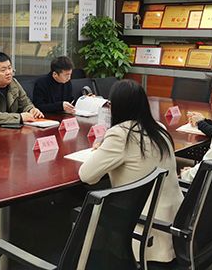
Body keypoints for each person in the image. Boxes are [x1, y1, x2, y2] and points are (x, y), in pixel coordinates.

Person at [78, 79, 182, 266]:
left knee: (83, 204)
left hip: (144, 223)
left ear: (117, 107)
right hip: (173, 219)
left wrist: (103, 148)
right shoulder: (159, 128)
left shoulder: (121, 134)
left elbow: (87, 176)